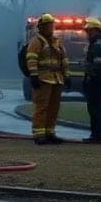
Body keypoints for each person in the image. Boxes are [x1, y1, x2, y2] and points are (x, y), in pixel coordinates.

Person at [25, 13, 68, 145]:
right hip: (43, 79)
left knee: (53, 108)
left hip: (57, 79)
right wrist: (33, 75)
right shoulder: (36, 41)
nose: (51, 28)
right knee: (41, 107)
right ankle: (39, 134)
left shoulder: (57, 42)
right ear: (41, 27)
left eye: (52, 25)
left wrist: (66, 75)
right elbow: (31, 58)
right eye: (48, 25)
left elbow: (64, 60)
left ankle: (50, 133)